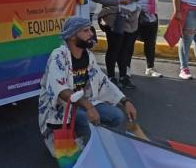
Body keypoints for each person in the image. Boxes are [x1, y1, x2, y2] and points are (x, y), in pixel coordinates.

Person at [38, 17, 137, 155]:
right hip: (62, 106)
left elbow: (104, 82)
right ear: (72, 36)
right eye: (85, 31)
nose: (91, 33)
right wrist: (89, 107)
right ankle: (86, 151)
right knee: (87, 121)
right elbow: (61, 91)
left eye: (90, 29)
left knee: (117, 116)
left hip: (84, 103)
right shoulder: (58, 56)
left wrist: (125, 101)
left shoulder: (88, 56)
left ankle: (94, 141)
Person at [97, 0, 140, 89]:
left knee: (126, 48)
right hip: (116, 16)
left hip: (131, 14)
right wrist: (121, 1)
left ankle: (123, 76)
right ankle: (110, 76)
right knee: (115, 47)